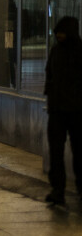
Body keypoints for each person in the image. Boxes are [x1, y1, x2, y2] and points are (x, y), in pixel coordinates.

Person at [44, 17, 82, 205]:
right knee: (56, 152)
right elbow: (49, 76)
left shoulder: (78, 53)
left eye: (62, 33)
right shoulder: (56, 51)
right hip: (58, 110)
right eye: (57, 33)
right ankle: (57, 189)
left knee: (78, 152)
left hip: (76, 111)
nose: (58, 36)